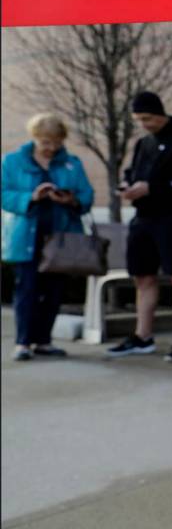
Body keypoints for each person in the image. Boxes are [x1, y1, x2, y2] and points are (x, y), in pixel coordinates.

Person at [105, 92, 172, 362]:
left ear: (159, 113)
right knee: (142, 277)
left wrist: (152, 188)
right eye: (139, 120)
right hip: (143, 218)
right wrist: (128, 186)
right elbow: (132, 172)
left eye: (147, 118)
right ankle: (143, 335)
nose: (144, 124)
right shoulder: (143, 143)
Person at [2, 113, 94, 361]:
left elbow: (87, 195)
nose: (51, 148)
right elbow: (4, 194)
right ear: (34, 138)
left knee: (53, 290)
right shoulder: (12, 162)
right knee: (27, 289)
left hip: (60, 236)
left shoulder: (72, 163)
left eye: (56, 142)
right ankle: (22, 342)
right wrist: (30, 197)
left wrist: (71, 200)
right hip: (26, 236)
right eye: (46, 142)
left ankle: (44, 340)